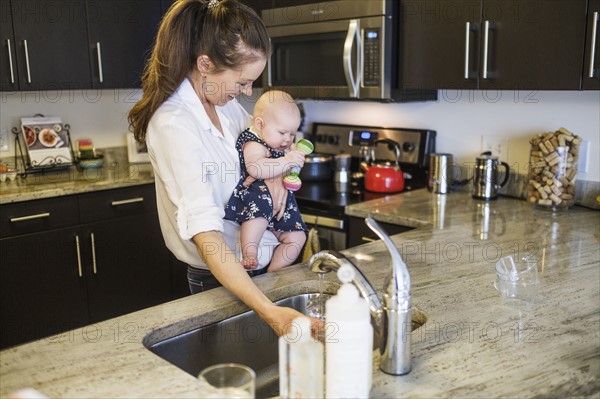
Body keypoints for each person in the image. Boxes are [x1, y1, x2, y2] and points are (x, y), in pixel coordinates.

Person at [127, 0, 309, 336]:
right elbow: (206, 235)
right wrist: (270, 312)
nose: (247, 92)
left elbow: (268, 144)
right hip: (223, 279)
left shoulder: (225, 107)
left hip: (262, 267)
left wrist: (280, 178)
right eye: (242, 82)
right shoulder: (173, 125)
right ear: (205, 64)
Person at [224, 90, 307, 272]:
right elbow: (255, 167)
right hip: (256, 196)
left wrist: (294, 164)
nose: (288, 139)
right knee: (257, 219)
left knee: (298, 237)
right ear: (260, 124)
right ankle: (250, 253)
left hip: (281, 203)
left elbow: (290, 167)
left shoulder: (281, 144)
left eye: (292, 134)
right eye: (282, 132)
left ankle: (274, 273)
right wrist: (286, 160)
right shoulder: (253, 142)